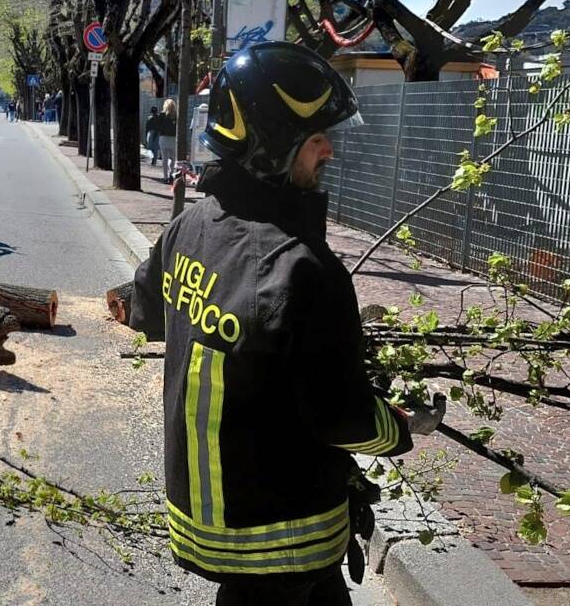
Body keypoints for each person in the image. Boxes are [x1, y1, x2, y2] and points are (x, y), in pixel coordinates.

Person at [129, 41, 444, 606]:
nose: (329, 150)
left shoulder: (188, 228)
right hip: (282, 532)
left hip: (200, 515)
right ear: (271, 148)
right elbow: (341, 417)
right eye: (315, 137)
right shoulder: (304, 268)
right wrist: (403, 428)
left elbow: (146, 309)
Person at [157, 98, 178, 183]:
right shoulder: (176, 115)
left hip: (163, 138)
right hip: (173, 138)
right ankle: (172, 174)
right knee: (173, 158)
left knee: (164, 158)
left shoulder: (162, 115)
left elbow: (158, 126)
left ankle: (165, 177)